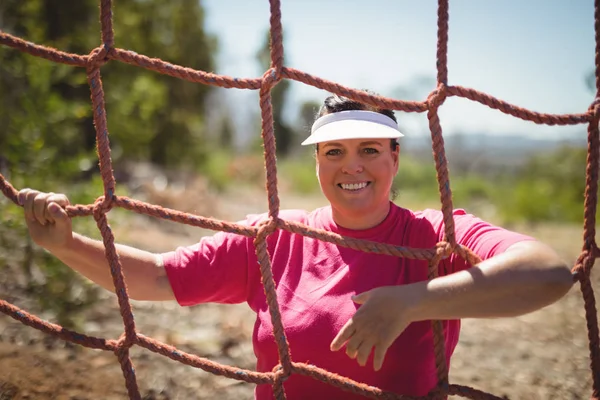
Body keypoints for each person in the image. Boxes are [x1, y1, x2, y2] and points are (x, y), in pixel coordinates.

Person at [18, 93, 574, 400]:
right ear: (315, 161)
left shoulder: (435, 238)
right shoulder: (276, 238)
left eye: (369, 150)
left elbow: (548, 273)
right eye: (333, 152)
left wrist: (411, 302)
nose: (351, 165)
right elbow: (160, 277)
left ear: (395, 159)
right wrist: (66, 245)